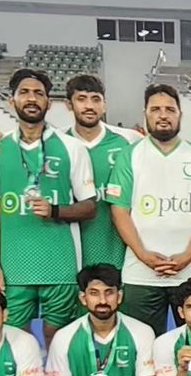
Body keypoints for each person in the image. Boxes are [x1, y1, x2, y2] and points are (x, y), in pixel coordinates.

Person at [0, 68, 96, 344]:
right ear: (12, 101)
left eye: (39, 94)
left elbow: (89, 207)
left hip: (61, 266)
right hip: (13, 268)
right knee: (16, 342)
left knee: (58, 342)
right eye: (24, 93)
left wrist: (55, 210)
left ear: (49, 103)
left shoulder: (72, 148)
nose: (31, 98)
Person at [109, 84, 191, 336]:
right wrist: (143, 254)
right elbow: (119, 211)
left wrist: (187, 256)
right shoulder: (129, 156)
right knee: (143, 346)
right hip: (141, 273)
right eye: (155, 109)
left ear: (180, 114)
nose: (163, 115)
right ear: (145, 113)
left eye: (170, 109)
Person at [61, 74, 142, 269]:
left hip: (119, 246)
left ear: (104, 105)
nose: (89, 106)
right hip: (71, 248)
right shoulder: (58, 142)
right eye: (81, 99)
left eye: (95, 99)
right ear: (69, 105)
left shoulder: (130, 140)